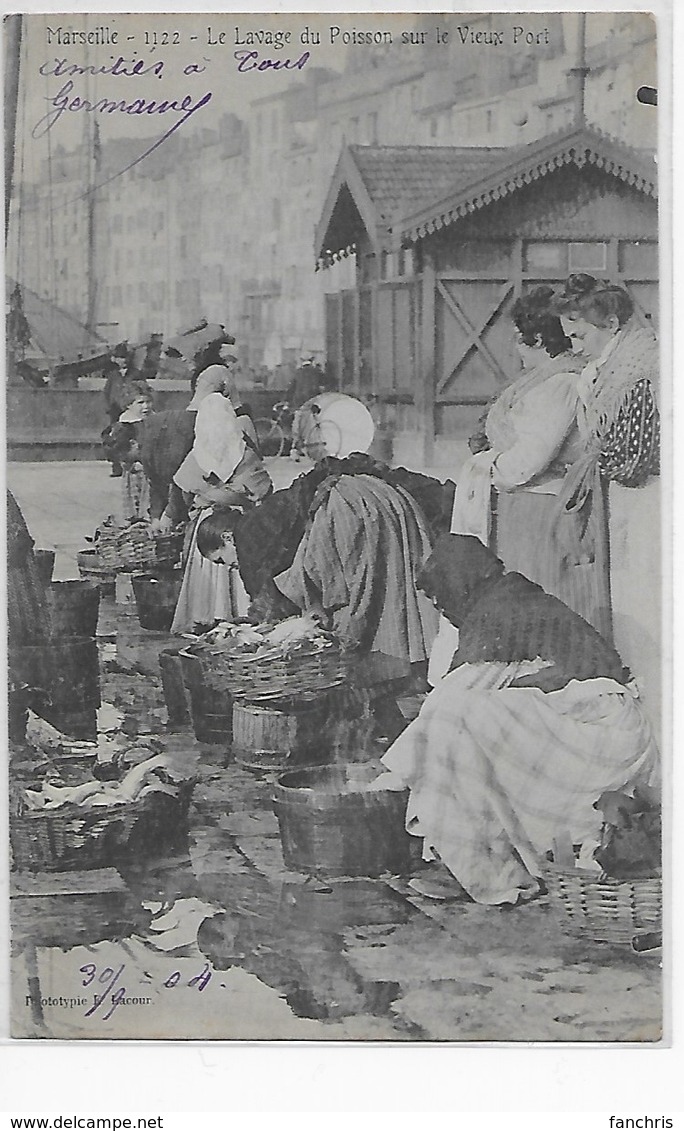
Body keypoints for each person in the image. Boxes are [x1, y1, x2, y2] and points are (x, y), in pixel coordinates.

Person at [379, 533, 659, 906]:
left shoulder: (497, 614)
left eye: (439, 596)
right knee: (465, 728)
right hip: (607, 723)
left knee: (455, 726)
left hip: (603, 730)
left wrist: (389, 780)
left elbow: (447, 703)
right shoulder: (509, 595)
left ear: (459, 581)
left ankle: (484, 868)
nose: (441, 608)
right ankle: (471, 855)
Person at [429, 285, 606, 684]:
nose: (518, 352)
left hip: (540, 513)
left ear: (538, 340)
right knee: (516, 612)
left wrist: (488, 465)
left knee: (537, 612)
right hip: (519, 511)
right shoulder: (542, 381)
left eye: (519, 342)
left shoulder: (560, 384)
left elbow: (526, 463)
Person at [554, 283, 661, 740]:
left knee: (644, 614)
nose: (572, 347)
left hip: (647, 501)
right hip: (622, 498)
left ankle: (654, 732)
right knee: (624, 612)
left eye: (578, 337)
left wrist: (591, 457)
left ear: (612, 325)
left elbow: (632, 457)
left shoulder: (639, 368)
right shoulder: (606, 367)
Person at [270, 397, 438, 665]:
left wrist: (311, 601)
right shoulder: (387, 489)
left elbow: (327, 576)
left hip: (372, 627)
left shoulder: (337, 500)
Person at [170, 391, 273, 633]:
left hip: (208, 526)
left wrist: (203, 499)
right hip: (238, 527)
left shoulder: (196, 457)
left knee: (208, 572)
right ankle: (239, 618)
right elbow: (264, 491)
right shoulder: (245, 454)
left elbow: (182, 494)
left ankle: (205, 618)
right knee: (236, 570)